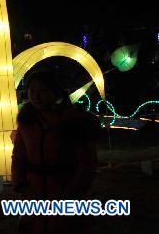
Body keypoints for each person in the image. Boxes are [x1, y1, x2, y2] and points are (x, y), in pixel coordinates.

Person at [12, 70, 101, 233]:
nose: (37, 96)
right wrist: (22, 186)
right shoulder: (26, 122)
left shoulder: (74, 121)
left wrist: (72, 192)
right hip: (34, 192)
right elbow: (19, 157)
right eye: (32, 91)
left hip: (64, 190)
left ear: (54, 92)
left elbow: (87, 163)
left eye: (43, 91)